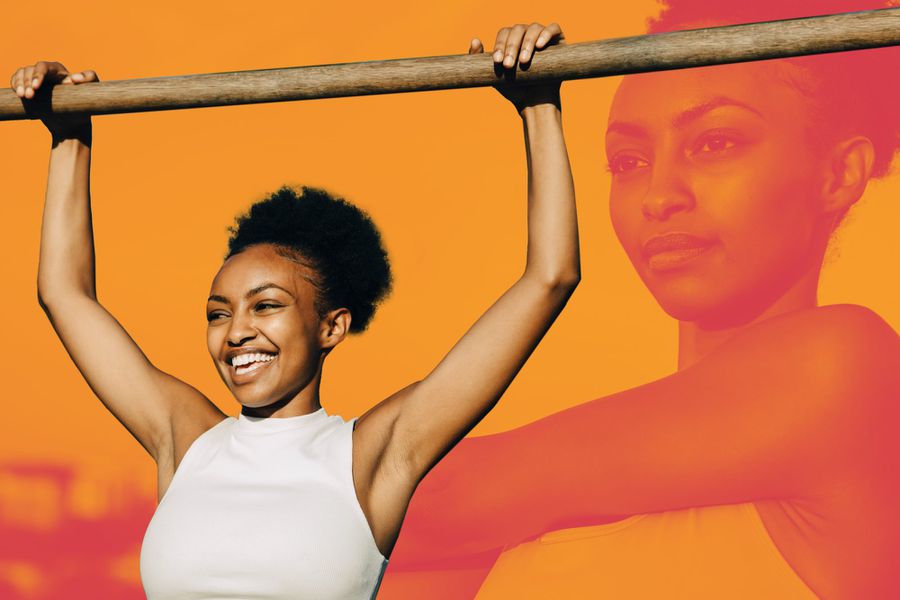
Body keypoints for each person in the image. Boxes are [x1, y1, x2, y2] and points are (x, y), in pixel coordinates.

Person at [13, 22, 578, 600]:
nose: (237, 331)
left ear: (332, 325)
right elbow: (65, 294)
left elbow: (549, 278)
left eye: (266, 306)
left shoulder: (373, 455)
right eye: (217, 312)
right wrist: (69, 137)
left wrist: (537, 105)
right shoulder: (186, 441)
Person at [384, 5, 900, 599]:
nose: (659, 196)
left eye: (714, 142)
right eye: (629, 161)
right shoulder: (536, 532)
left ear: (839, 174)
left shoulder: (839, 366)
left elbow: (422, 498)